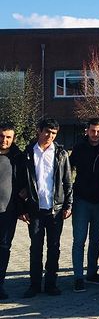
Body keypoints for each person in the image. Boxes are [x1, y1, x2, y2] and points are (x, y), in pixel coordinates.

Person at [20, 118, 73, 297]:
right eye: (47, 132)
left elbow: (67, 181)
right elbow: (21, 183)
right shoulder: (28, 153)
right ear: (39, 130)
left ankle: (51, 284)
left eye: (54, 133)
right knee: (36, 248)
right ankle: (34, 285)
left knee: (54, 247)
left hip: (55, 210)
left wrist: (68, 205)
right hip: (35, 209)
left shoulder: (61, 154)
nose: (50, 136)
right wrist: (22, 208)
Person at [70, 118, 99, 292]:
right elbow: (68, 171)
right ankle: (78, 277)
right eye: (93, 130)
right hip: (81, 200)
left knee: (96, 240)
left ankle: (92, 273)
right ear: (87, 130)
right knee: (79, 240)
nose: (95, 134)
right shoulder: (79, 148)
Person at [0, 123, 23, 300]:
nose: (4, 140)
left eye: (8, 137)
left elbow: (23, 185)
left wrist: (22, 209)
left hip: (8, 212)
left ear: (13, 138)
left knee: (4, 248)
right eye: (1, 136)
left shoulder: (17, 157)